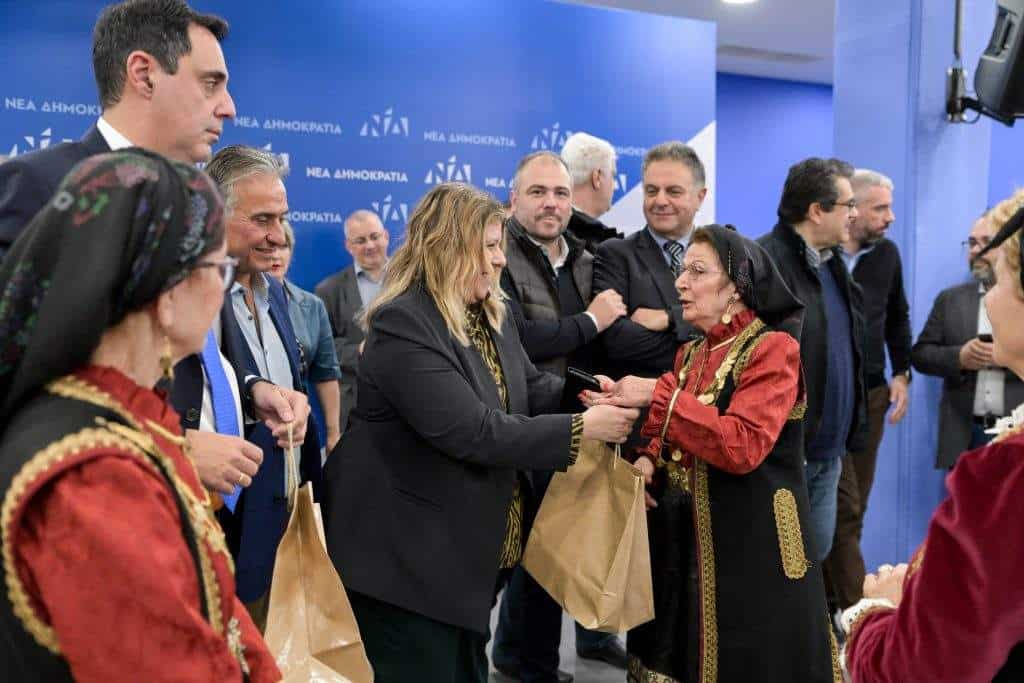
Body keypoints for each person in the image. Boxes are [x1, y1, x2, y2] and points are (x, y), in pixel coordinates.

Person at [321, 182, 638, 682]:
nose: (499, 260)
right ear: (448, 247)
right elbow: (474, 431)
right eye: (489, 246)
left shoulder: (490, 309)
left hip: (463, 568)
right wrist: (581, 429)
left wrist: (584, 392)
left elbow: (524, 386)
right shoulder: (404, 322)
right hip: (406, 569)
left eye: (499, 246)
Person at [0, 149, 277, 681]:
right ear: (167, 296)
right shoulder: (97, 478)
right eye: (218, 269)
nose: (223, 288)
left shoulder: (122, 417)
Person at [584, 225, 839, 682]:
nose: (681, 282)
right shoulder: (691, 353)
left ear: (737, 289)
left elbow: (742, 444)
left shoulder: (772, 349)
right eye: (683, 271)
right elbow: (667, 430)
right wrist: (646, 461)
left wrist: (656, 395)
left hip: (751, 546)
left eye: (697, 272)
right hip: (686, 545)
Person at [842, 206, 1024, 682]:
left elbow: (916, 668)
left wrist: (877, 612)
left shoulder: (1008, 474)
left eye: (1000, 278)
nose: (991, 295)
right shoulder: (951, 301)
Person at [170, 144, 321, 631]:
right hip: (208, 519)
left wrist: (283, 399)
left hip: (275, 516)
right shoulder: (185, 291)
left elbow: (240, 380)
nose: (278, 236)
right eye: (262, 220)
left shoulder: (275, 290)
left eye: (282, 218)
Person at [492, 151, 628, 681]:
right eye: (538, 192)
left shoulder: (585, 257)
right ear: (513, 200)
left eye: (561, 193)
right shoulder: (496, 254)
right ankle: (532, 667)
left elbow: (608, 337)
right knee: (531, 555)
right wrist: (591, 321)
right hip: (523, 424)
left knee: (554, 552)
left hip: (579, 419)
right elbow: (516, 338)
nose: (551, 203)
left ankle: (520, 658)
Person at [0, 0, 236, 255]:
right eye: (210, 84)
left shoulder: (200, 207)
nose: (229, 109)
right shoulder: (37, 186)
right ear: (144, 76)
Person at [757, 157, 867, 565]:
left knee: (812, 559)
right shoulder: (764, 263)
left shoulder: (833, 265)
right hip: (786, 453)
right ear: (817, 211)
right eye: (848, 205)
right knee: (778, 566)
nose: (854, 214)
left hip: (829, 452)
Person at [825, 168, 912, 612]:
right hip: (826, 399)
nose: (890, 217)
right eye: (880, 208)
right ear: (852, 209)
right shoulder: (819, 255)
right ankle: (855, 611)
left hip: (872, 396)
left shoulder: (888, 255)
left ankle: (837, 607)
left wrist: (903, 374)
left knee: (853, 508)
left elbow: (898, 316)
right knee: (840, 508)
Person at [592, 141, 702, 450]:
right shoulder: (615, 254)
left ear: (700, 196)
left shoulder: (723, 254)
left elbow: (737, 332)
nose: (660, 201)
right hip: (640, 433)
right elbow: (618, 341)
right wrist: (704, 348)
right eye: (651, 191)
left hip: (705, 429)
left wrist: (671, 318)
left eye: (673, 191)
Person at [911, 198, 1024, 467]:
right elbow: (921, 354)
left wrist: (1007, 355)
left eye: (986, 241)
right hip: (964, 428)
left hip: (1011, 421)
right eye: (971, 243)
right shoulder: (950, 299)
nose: (977, 250)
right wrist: (960, 357)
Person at [270, 221, 342, 452]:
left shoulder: (312, 306)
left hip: (298, 428)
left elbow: (326, 374)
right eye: (269, 248)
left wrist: (333, 434)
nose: (276, 255)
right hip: (253, 424)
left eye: (283, 246)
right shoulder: (234, 302)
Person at [315, 210, 390, 432]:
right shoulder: (329, 290)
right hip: (353, 404)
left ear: (386, 236)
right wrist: (358, 350)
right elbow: (321, 350)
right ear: (349, 246)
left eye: (374, 237)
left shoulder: (411, 281)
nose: (369, 245)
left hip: (406, 397)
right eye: (360, 240)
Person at [560, 132, 623, 252]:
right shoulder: (600, 246)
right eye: (613, 175)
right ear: (597, 177)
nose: (614, 186)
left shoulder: (550, 231)